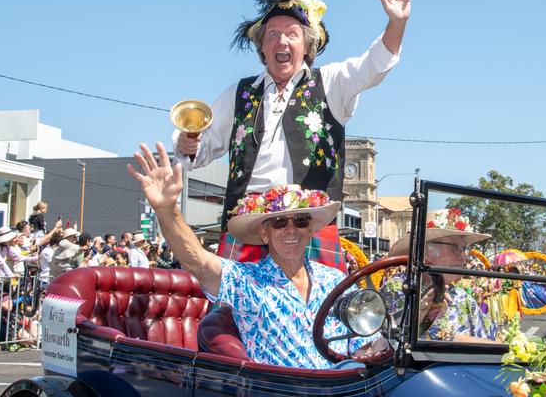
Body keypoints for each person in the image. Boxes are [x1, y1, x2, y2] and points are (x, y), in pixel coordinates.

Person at [172, 0, 417, 272]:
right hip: (248, 226)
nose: (282, 42)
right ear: (262, 46)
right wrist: (188, 142)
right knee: (235, 317)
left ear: (307, 45)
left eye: (291, 34)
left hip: (309, 223)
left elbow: (374, 66)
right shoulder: (239, 93)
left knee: (317, 317)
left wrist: (396, 23)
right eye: (273, 34)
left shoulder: (331, 82)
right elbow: (202, 148)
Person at [128, 144, 383, 369]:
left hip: (346, 394)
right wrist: (166, 209)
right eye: (280, 222)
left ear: (311, 230)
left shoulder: (335, 280)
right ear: (264, 233)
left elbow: (362, 343)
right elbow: (197, 261)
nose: (291, 229)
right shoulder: (247, 281)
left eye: (301, 220)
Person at [381, 209, 496, 342]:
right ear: (426, 252)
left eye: (465, 249)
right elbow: (435, 337)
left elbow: (491, 337)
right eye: (456, 247)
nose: (464, 257)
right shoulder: (402, 286)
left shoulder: (462, 297)